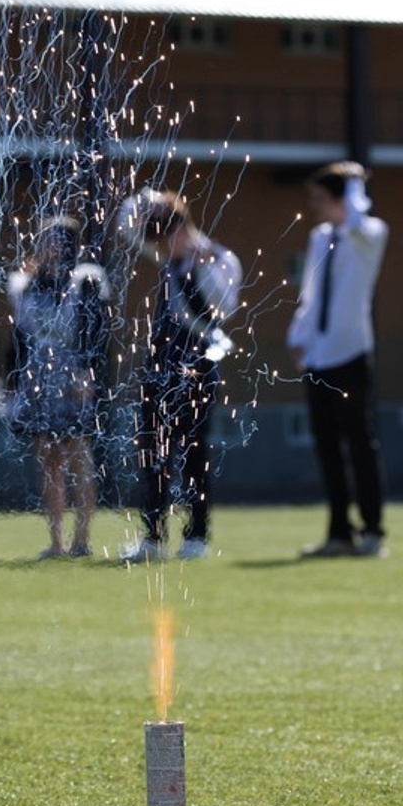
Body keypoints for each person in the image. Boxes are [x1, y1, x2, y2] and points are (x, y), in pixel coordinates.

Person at [116, 189, 242, 563]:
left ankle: (196, 536)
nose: (160, 247)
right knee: (153, 451)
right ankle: (153, 536)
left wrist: (201, 267)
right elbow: (126, 225)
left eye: (165, 236)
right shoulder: (168, 257)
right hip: (160, 363)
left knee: (193, 452)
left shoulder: (219, 259)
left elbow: (225, 308)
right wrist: (150, 199)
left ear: (183, 229)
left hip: (199, 363)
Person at [287, 161, 389, 558]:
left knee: (361, 445)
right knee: (327, 448)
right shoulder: (320, 237)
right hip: (319, 354)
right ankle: (339, 533)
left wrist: (354, 187)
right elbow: (311, 292)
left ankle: (373, 530)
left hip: (351, 352)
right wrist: (299, 337)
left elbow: (359, 224)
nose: (314, 206)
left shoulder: (369, 232)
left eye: (320, 197)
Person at [7, 215, 109, 559]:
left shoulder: (87, 281)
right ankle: (55, 541)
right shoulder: (26, 287)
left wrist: (87, 373)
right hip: (39, 377)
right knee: (48, 460)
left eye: (57, 241)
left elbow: (97, 333)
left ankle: (82, 538)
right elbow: (19, 338)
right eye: (45, 240)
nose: (49, 248)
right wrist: (12, 383)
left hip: (73, 377)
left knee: (78, 455)